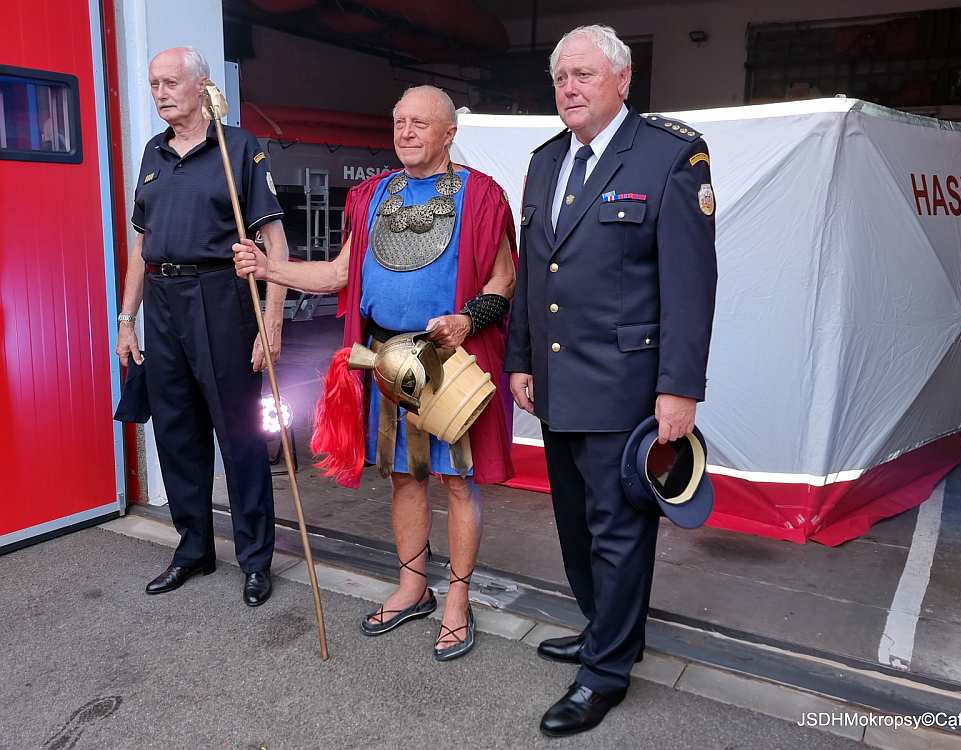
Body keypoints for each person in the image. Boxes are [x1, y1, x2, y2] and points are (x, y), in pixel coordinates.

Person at [233, 85, 517, 660]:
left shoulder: (483, 196)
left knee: (457, 482)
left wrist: (467, 319)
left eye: (419, 123)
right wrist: (269, 268)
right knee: (404, 478)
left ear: (449, 133)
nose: (405, 132)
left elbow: (504, 279)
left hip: (450, 360)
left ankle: (458, 600)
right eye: (399, 121)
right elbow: (340, 275)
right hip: (386, 361)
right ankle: (413, 587)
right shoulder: (369, 197)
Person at [505, 25, 718, 735]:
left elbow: (691, 284)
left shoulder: (669, 155)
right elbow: (536, 272)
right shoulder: (545, 161)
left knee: (619, 533)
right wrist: (520, 358)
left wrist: (679, 388)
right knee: (574, 528)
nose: (569, 88)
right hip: (557, 382)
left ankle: (605, 674)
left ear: (623, 80)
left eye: (584, 75)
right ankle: (607, 631)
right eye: (560, 77)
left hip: (626, 385)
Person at [115, 46, 289, 607]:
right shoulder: (153, 152)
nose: (161, 93)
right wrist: (127, 319)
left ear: (201, 86)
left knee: (239, 435)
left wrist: (271, 322)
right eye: (154, 84)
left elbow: (275, 244)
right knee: (175, 431)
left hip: (220, 297)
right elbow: (140, 244)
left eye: (170, 82)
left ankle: (255, 558)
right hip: (163, 300)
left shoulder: (239, 148)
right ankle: (193, 548)